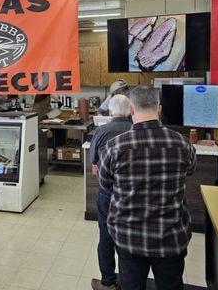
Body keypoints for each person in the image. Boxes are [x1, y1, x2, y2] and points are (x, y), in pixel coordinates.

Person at [99, 86, 196, 290]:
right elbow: (190, 170)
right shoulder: (182, 144)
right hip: (171, 237)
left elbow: (105, 183)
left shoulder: (114, 147)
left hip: (129, 237)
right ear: (159, 109)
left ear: (131, 110)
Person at [90, 95, 133, 290]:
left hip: (107, 192)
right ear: (130, 110)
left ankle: (107, 282)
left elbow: (93, 160)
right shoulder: (135, 129)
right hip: (131, 192)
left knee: (106, 236)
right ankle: (129, 281)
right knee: (127, 238)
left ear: (110, 111)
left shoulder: (102, 130)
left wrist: (97, 165)